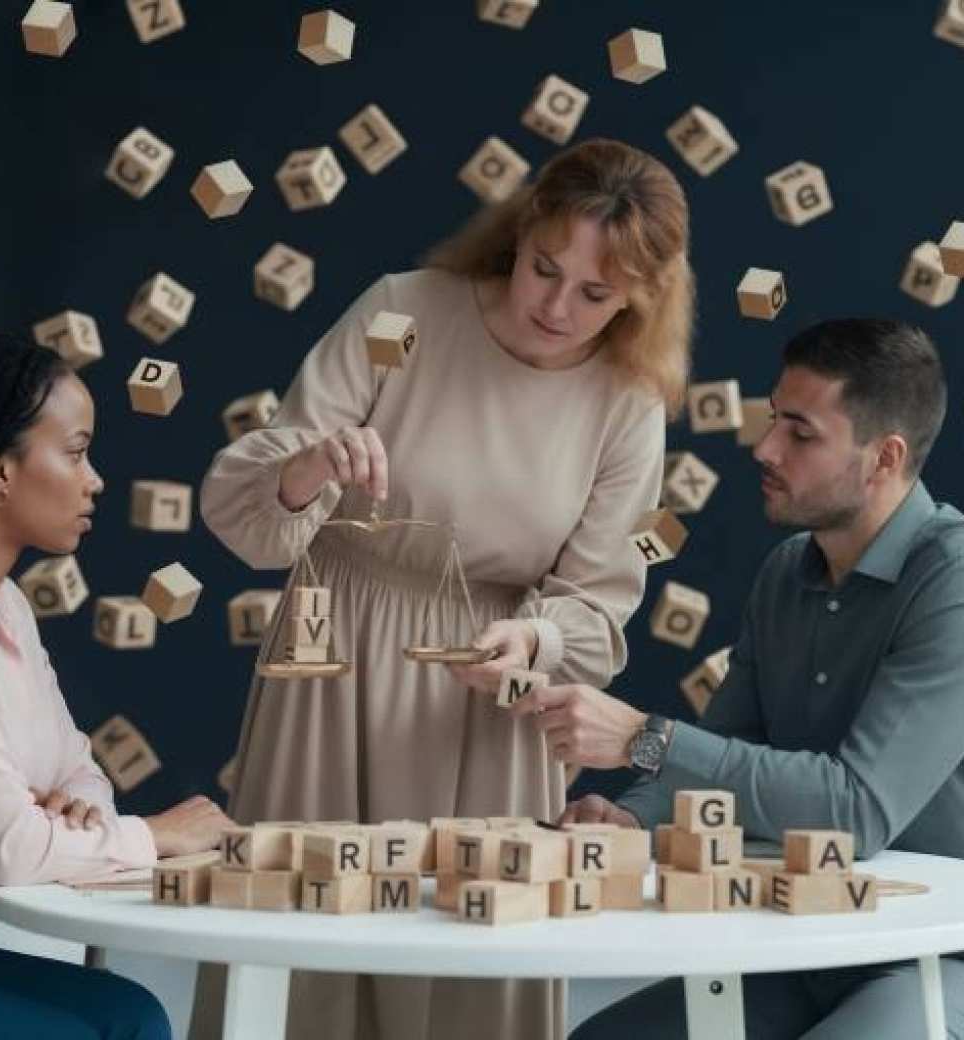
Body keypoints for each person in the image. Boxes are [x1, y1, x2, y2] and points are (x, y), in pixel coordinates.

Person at [192, 137, 695, 1040]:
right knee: (303, 935)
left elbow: (599, 595)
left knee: (474, 966)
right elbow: (249, 509)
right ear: (522, 231)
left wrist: (534, 643)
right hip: (332, 657)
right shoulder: (403, 310)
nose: (557, 306)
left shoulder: (629, 400)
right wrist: (309, 468)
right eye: (546, 269)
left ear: (640, 299)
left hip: (491, 694)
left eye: (595, 293)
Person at [510, 318, 964, 1038]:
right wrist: (634, 816)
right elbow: (722, 746)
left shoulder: (953, 580)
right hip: (793, 939)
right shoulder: (785, 572)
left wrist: (642, 737)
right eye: (772, 418)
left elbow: (856, 812)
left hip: (924, 953)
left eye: (801, 433)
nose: (765, 447)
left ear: (885, 458)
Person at [0, 333, 233, 1040]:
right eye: (75, 452)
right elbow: (9, 847)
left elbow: (78, 768)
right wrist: (155, 835)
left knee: (132, 1013)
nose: (94, 478)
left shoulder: (4, 604)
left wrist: (76, 814)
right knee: (117, 1029)